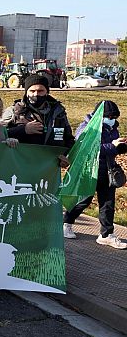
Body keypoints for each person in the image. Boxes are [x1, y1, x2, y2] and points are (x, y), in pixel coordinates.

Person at [63, 101, 127, 249]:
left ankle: (106, 234)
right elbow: (87, 147)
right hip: (89, 170)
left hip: (108, 169)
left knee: (108, 203)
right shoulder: (87, 127)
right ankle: (67, 222)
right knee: (84, 200)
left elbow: (110, 148)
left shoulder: (113, 127)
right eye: (109, 116)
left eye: (114, 116)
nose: (112, 119)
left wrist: (120, 147)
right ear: (100, 115)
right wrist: (112, 146)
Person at [2, 74, 73, 166]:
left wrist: (66, 156)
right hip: (19, 165)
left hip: (48, 168)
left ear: (46, 92)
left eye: (40, 91)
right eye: (32, 91)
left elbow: (69, 139)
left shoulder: (59, 112)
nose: (36, 94)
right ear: (26, 92)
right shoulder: (14, 111)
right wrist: (23, 130)